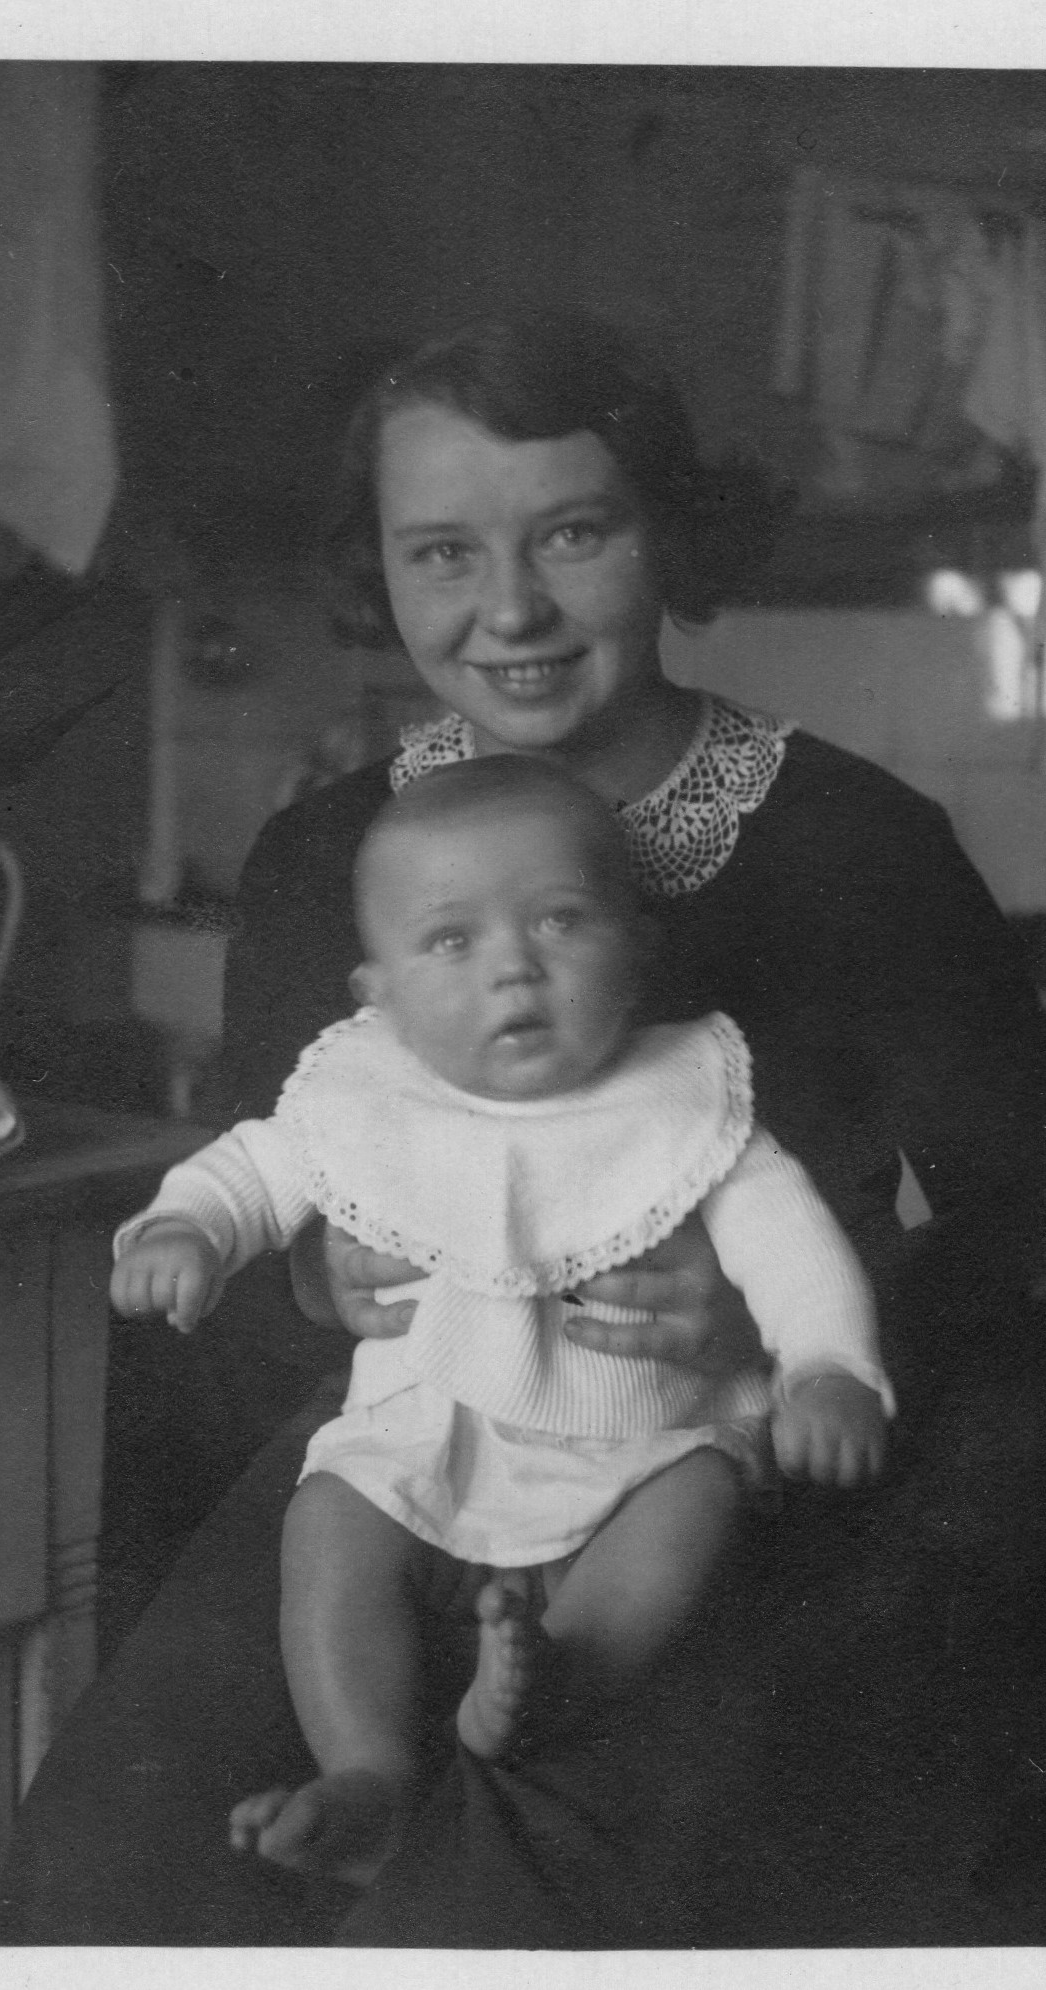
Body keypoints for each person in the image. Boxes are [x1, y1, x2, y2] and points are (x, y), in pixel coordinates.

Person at [0, 313, 1046, 1947]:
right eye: (442, 551)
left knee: (499, 1891)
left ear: (668, 535)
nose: (508, 611)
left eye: (572, 533)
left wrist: (789, 1339)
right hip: (407, 1455)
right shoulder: (324, 854)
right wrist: (313, 1282)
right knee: (112, 1866)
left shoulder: (860, 844)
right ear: (381, 567)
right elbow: (271, 1196)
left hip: (737, 1487)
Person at [108, 754, 894, 1882]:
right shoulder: (368, 1093)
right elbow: (250, 1171)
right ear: (378, 993)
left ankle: (554, 1681)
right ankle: (369, 1771)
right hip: (432, 1429)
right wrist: (185, 1229)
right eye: (450, 940)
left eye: (560, 920)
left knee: (699, 1497)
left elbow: (792, 1242)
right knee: (330, 1516)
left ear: (638, 948)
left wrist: (827, 1366)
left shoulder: (681, 1102)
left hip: (637, 1439)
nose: (513, 967)